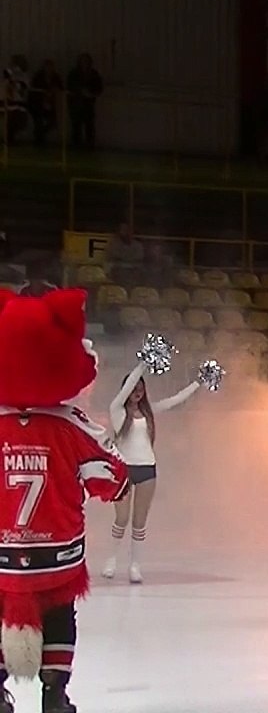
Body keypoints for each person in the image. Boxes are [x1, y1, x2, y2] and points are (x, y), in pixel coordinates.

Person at [0, 289, 130, 712]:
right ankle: (54, 695)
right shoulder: (73, 424)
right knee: (59, 614)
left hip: (1, 553)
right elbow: (113, 480)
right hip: (56, 553)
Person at [101, 359, 203, 583]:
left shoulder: (149, 412)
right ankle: (111, 560)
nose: (137, 392)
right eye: (134, 388)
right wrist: (144, 364)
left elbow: (175, 400)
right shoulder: (117, 410)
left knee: (139, 522)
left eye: (141, 388)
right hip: (123, 470)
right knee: (122, 518)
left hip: (147, 469)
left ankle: (135, 566)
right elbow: (127, 388)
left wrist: (198, 382)